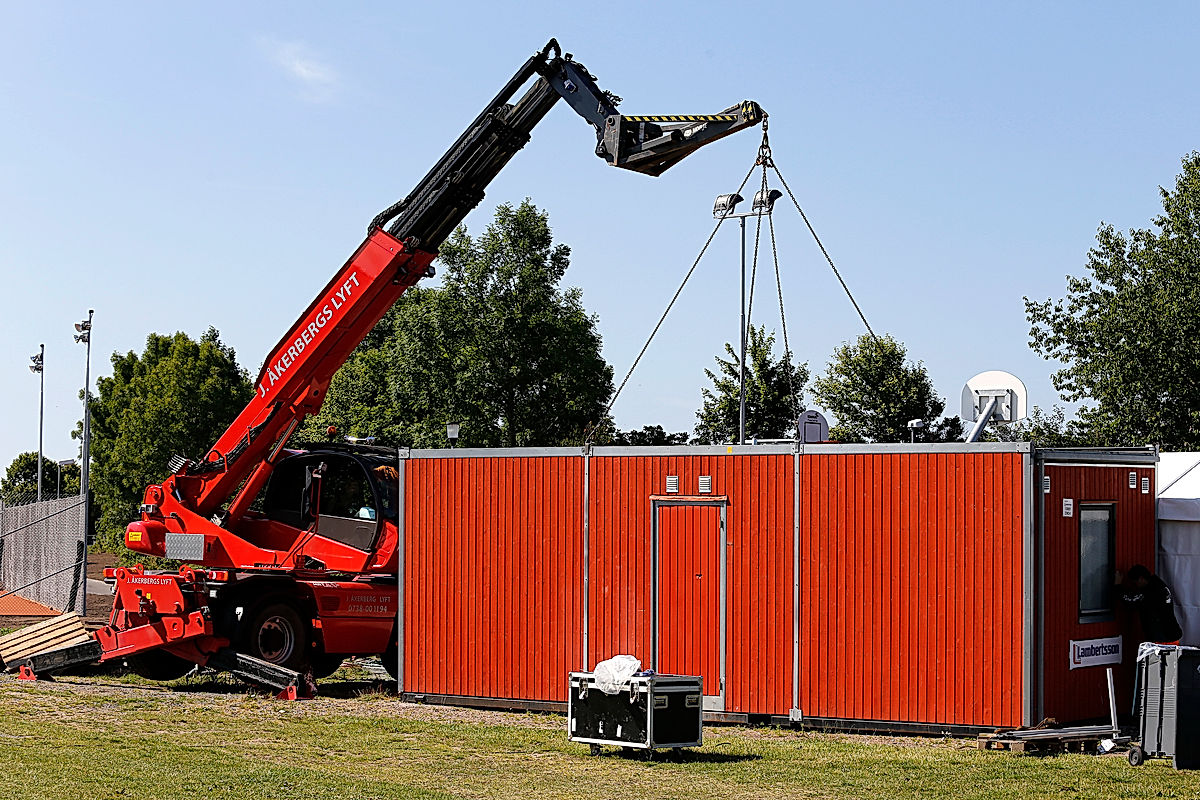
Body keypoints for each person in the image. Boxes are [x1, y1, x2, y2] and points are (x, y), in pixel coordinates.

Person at [1120, 564, 1182, 644]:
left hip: (1161, 637)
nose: (1135, 587)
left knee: (1159, 656)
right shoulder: (1160, 585)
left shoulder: (1150, 591)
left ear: (1141, 579)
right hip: (1172, 633)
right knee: (1173, 656)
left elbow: (1130, 602)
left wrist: (1118, 587)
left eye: (1135, 583)